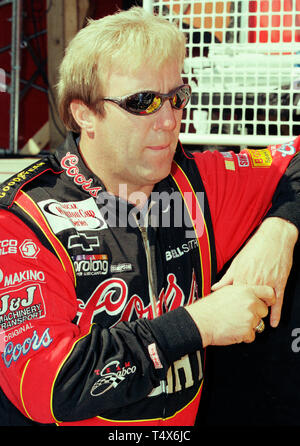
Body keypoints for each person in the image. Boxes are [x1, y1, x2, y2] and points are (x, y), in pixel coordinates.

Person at [0, 7, 299, 427]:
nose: (169, 120)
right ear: (83, 112)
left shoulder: (200, 183)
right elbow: (50, 384)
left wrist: (280, 229)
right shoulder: (23, 218)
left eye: (177, 97)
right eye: (142, 102)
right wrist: (198, 325)